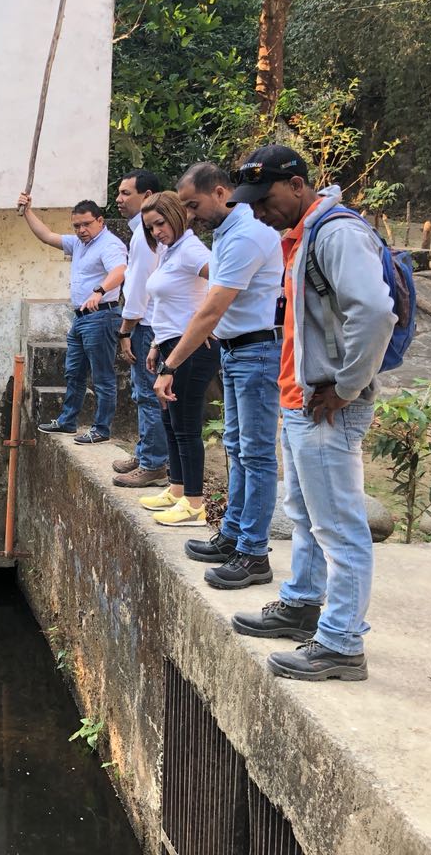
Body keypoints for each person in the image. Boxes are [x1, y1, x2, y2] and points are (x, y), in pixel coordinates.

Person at [229, 146, 395, 682]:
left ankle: (342, 643)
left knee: (339, 527)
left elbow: (373, 313)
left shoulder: (337, 233)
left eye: (266, 198)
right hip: (302, 400)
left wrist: (347, 387)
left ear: (298, 184)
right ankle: (302, 603)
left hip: (329, 406)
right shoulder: (301, 235)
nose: (258, 210)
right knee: (304, 514)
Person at [154, 162, 283, 590]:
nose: (188, 215)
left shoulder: (247, 235)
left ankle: (253, 553)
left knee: (258, 454)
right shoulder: (228, 233)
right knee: (236, 446)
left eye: (193, 205)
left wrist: (169, 365)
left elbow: (211, 308)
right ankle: (232, 534)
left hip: (257, 351)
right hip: (236, 351)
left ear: (221, 192)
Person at [132, 192, 217, 526]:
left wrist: (214, 321)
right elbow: (167, 304)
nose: (156, 232)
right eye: (150, 227)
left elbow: (226, 283)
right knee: (170, 420)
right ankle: (177, 489)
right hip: (168, 343)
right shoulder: (171, 252)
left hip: (191, 348)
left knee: (185, 424)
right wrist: (154, 343)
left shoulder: (193, 250)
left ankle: (194, 503)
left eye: (160, 223)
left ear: (178, 216)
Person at [18, 193, 127, 444]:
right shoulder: (79, 243)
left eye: (86, 224)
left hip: (101, 316)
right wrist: (27, 211)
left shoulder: (109, 244)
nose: (81, 230)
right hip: (80, 318)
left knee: (102, 376)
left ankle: (101, 428)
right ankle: (67, 421)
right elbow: (47, 236)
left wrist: (99, 292)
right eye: (76, 226)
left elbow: (120, 270)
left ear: (100, 221)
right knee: (73, 372)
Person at [112, 170, 170, 488]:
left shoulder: (144, 235)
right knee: (145, 393)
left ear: (147, 196)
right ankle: (147, 451)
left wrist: (125, 330)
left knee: (148, 395)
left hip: (146, 324)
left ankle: (153, 464)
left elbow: (137, 287)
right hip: (149, 322)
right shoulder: (142, 233)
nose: (119, 199)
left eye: (125, 193)